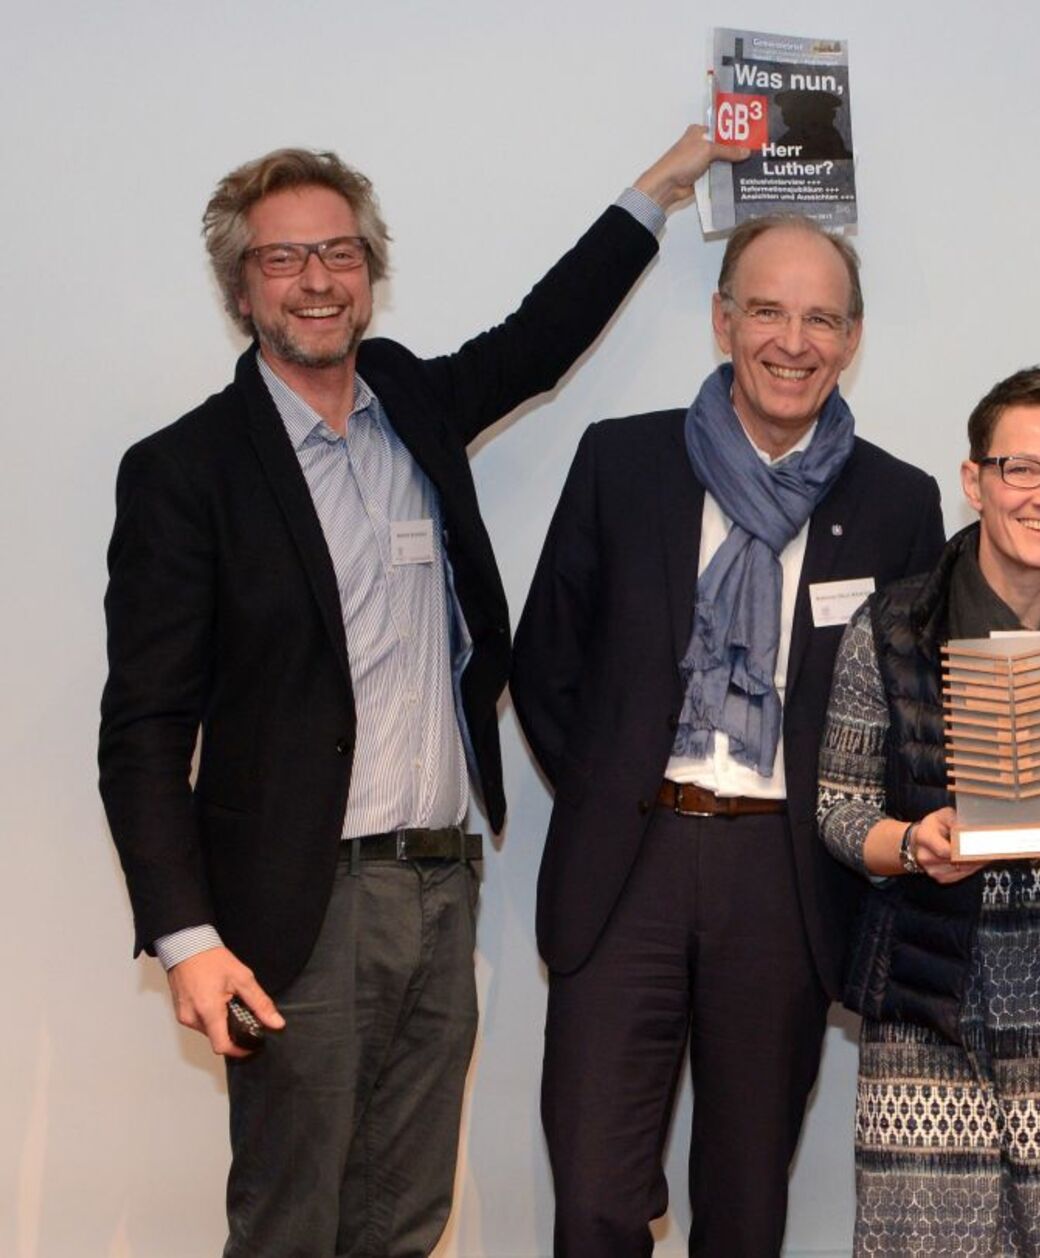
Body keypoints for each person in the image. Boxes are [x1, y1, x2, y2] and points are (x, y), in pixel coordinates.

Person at [96, 127, 737, 1256]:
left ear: (370, 272)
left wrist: (664, 185)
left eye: (339, 253)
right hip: (300, 907)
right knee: (296, 1220)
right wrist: (187, 936)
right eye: (285, 259)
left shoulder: (411, 406)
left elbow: (541, 340)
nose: (317, 280)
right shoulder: (186, 469)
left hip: (442, 887)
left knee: (403, 1220)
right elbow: (143, 730)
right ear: (240, 286)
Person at [511, 213, 944, 1255]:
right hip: (631, 862)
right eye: (765, 311)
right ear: (721, 321)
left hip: (784, 877)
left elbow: (912, 707)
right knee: (597, 1198)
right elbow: (545, 662)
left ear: (849, 338)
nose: (791, 341)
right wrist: (617, 781)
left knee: (746, 1202)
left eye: (819, 318)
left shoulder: (894, 502)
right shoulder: (623, 462)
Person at [816, 367, 1040, 1256]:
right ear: (974, 478)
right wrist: (911, 843)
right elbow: (838, 806)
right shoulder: (891, 626)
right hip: (934, 1005)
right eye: (1023, 469)